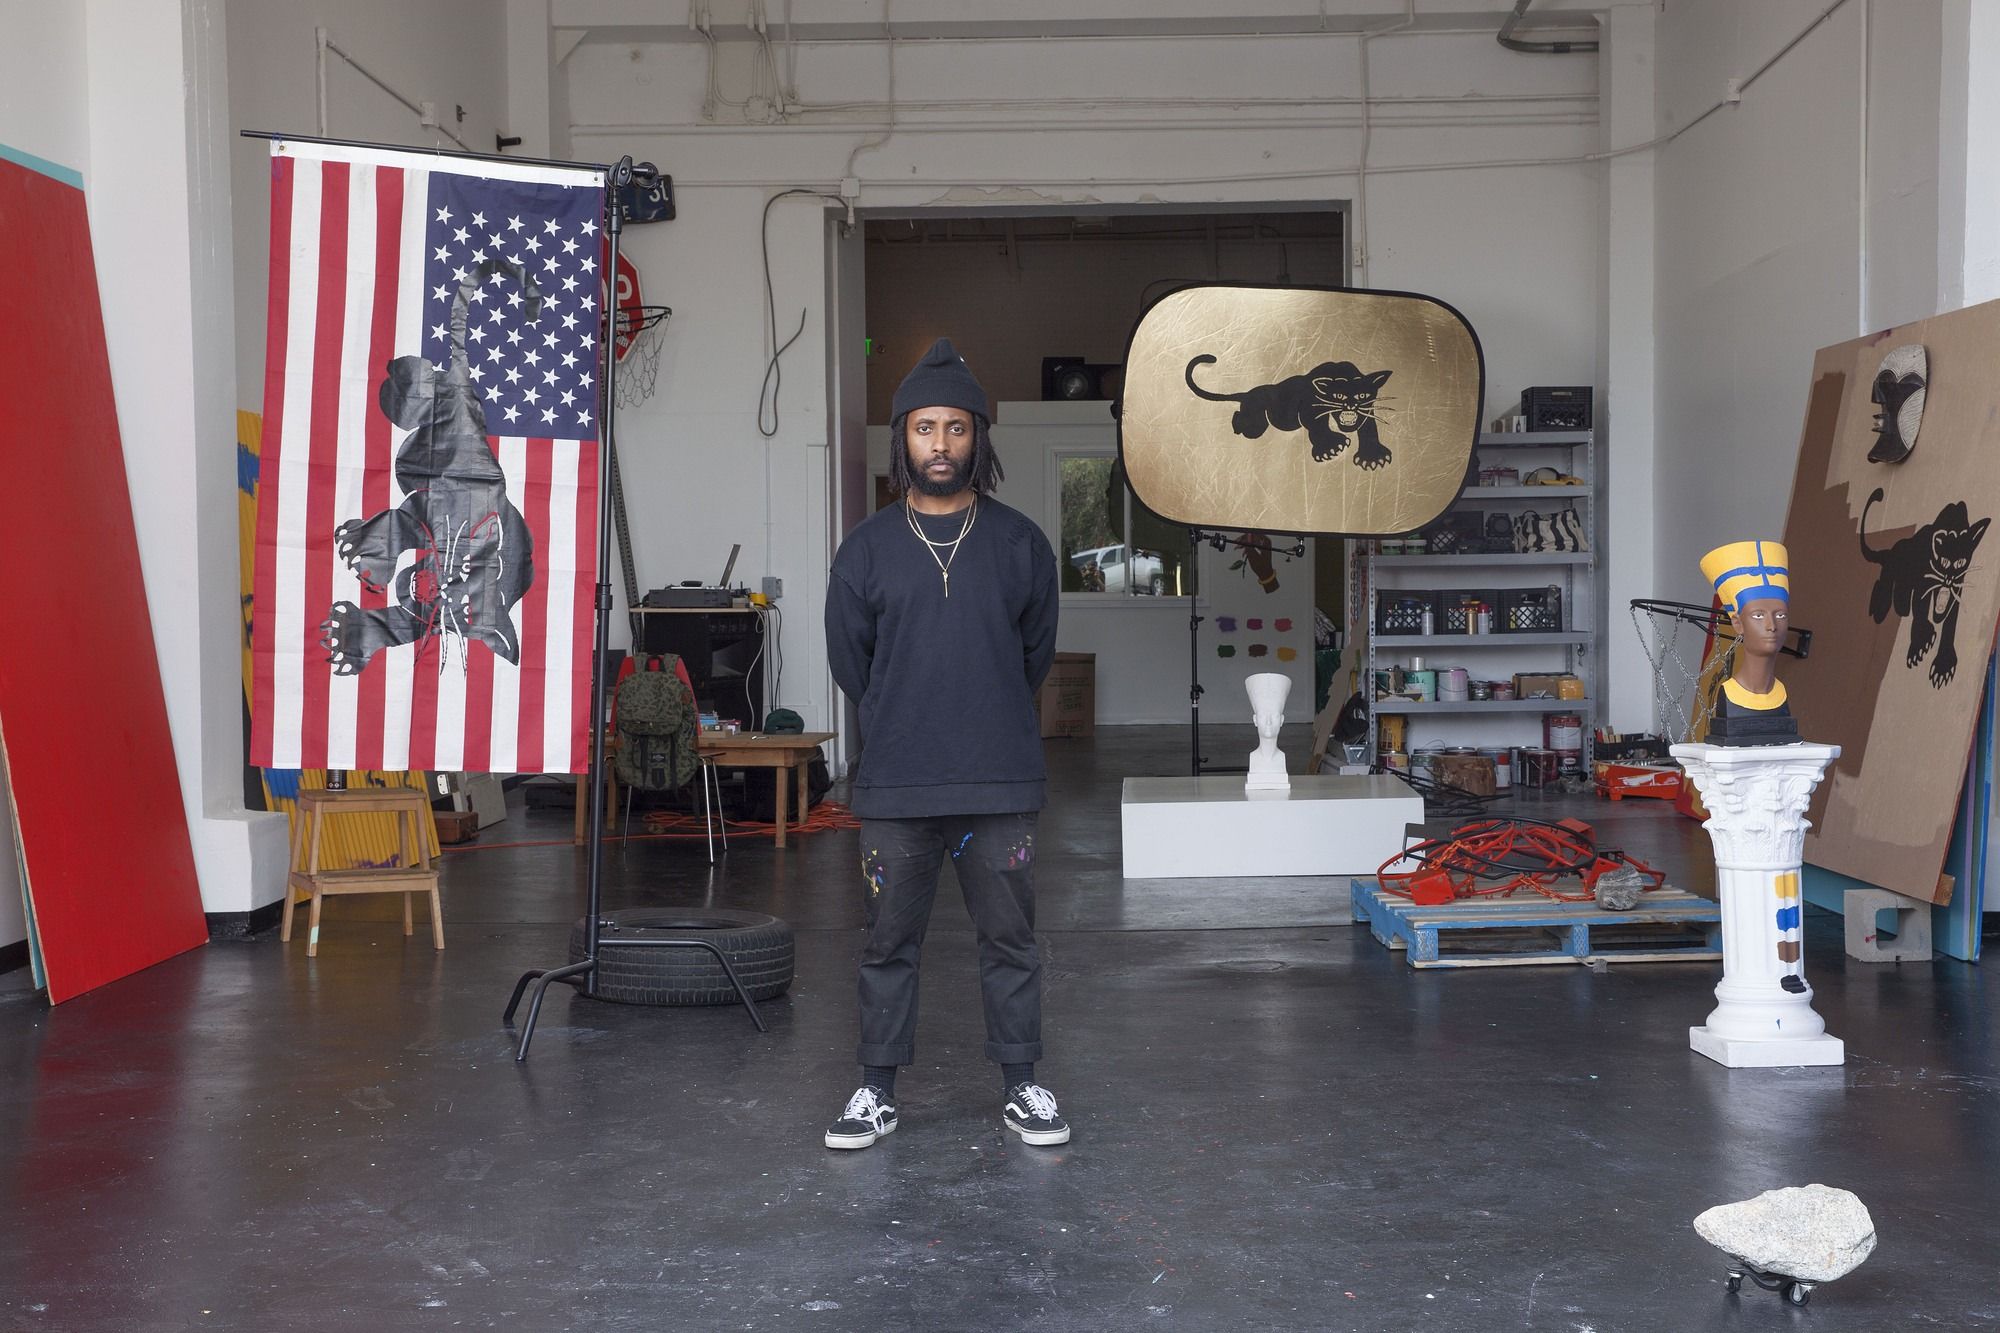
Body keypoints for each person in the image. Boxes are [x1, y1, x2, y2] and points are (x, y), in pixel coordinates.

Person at [822, 338, 1067, 1151]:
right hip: (898, 784)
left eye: (956, 428)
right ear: (903, 437)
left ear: (977, 438)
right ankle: (876, 1090)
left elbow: (1034, 654)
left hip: (1000, 782)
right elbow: (852, 663)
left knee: (1011, 941)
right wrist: (904, 714)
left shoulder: (1020, 543)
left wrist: (983, 709)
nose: (940, 443)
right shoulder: (865, 549)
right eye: (925, 427)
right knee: (888, 942)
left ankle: (1023, 1084)